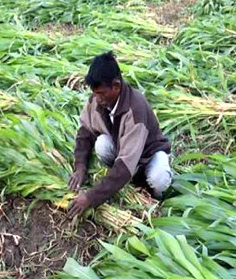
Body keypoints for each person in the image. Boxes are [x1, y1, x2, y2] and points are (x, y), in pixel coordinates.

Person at [67, 51, 173, 218]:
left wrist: (90, 197)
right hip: (124, 150)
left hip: (148, 155)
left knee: (159, 178)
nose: (97, 98)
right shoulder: (98, 100)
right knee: (101, 144)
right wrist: (80, 168)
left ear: (116, 86)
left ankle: (156, 201)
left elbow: (124, 166)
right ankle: (125, 181)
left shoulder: (135, 109)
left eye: (101, 93)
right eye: (95, 93)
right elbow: (85, 133)